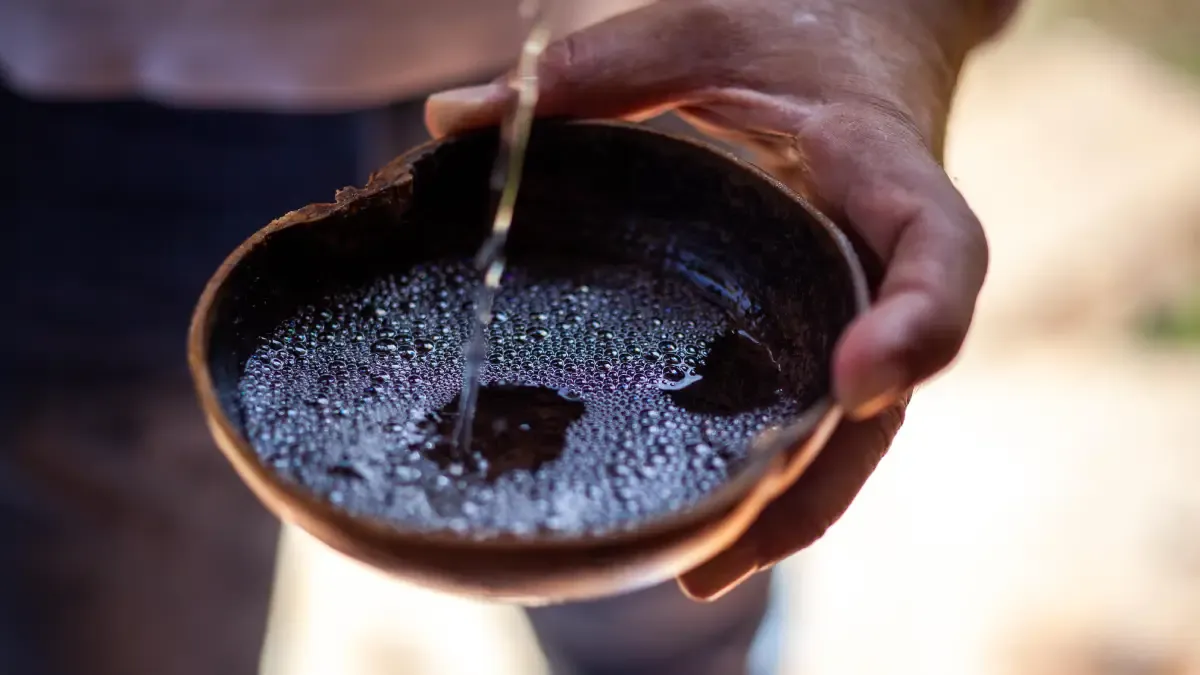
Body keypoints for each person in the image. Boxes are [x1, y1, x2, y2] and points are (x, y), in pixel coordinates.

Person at [0, 0, 1018, 673]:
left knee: (681, 620)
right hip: (99, 97)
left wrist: (893, 18)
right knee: (111, 634)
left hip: (656, 54)